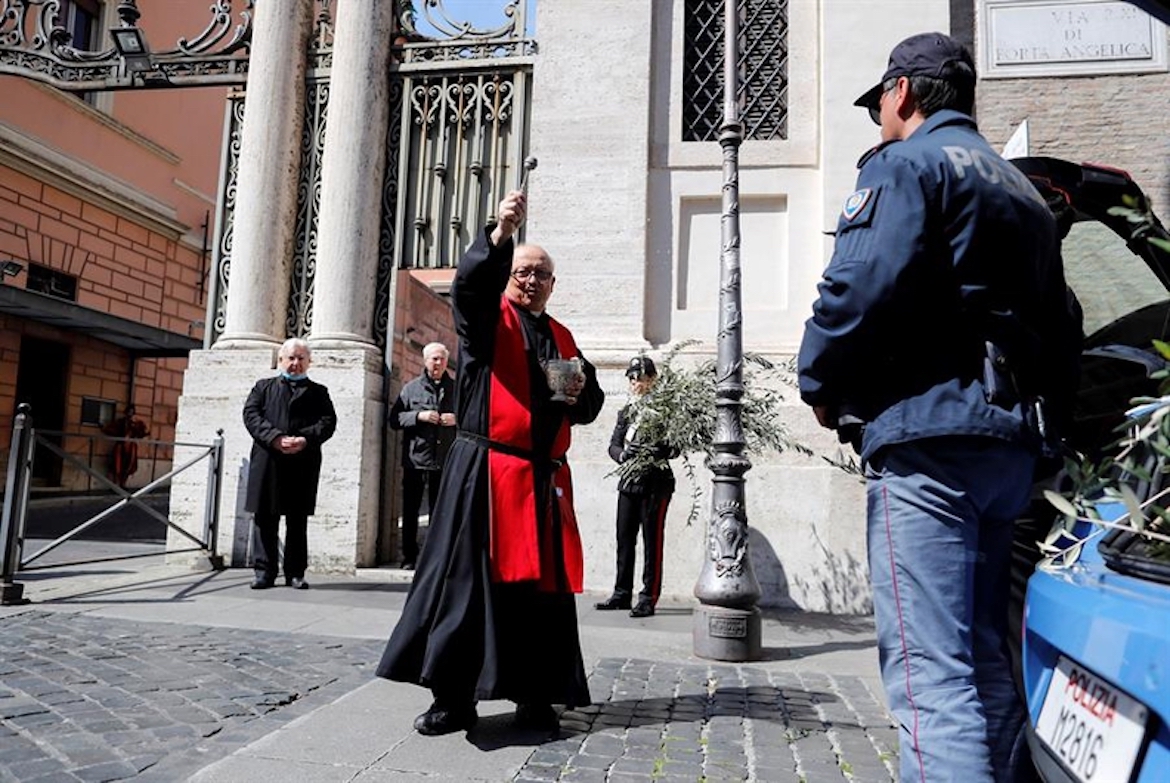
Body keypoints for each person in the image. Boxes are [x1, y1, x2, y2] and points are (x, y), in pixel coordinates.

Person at [797, 32, 1081, 783]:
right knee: (986, 659)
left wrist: (818, 380)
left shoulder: (905, 164)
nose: (880, 121)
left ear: (903, 92)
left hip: (928, 439)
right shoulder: (1026, 192)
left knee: (932, 676)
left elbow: (856, 289)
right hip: (1009, 450)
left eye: (881, 106)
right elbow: (1066, 328)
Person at [376, 189, 605, 737]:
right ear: (508, 277)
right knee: (465, 589)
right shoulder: (485, 319)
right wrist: (500, 235)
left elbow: (590, 405)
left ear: (554, 284)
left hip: (541, 481)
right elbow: (469, 286)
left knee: (541, 600)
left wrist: (580, 396)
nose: (531, 280)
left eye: (541, 274)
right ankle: (454, 701)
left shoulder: (562, 337)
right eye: (522, 271)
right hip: (484, 473)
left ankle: (536, 698)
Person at [242, 337, 337, 591]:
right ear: (281, 360)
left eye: (301, 358)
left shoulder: (319, 392)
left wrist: (304, 439)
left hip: (302, 461)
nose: (295, 363)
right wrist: (275, 438)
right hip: (268, 459)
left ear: (309, 362)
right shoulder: (263, 387)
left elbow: (328, 422)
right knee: (265, 517)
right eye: (291, 358)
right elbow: (251, 415)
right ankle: (264, 572)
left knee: (297, 520)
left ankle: (295, 572)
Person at [595, 355, 677, 619]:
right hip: (629, 482)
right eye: (631, 379)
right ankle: (622, 593)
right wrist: (623, 455)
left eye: (639, 378)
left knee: (652, 542)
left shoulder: (664, 411)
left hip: (655, 484)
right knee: (624, 538)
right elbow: (614, 444)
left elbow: (676, 447)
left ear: (652, 380)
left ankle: (648, 597)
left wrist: (655, 449)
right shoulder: (628, 411)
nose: (635, 384)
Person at [388, 342, 457, 569]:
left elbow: (472, 419)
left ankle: (437, 558)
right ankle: (409, 557)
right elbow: (395, 419)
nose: (438, 363)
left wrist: (456, 420)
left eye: (442, 359)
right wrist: (419, 416)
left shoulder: (457, 389)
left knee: (441, 512)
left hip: (445, 460)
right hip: (416, 460)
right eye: (434, 358)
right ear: (425, 361)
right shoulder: (411, 389)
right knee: (411, 511)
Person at [103, 405, 148, 488]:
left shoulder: (136, 423)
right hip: (120, 446)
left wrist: (143, 431)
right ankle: (116, 484)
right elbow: (112, 430)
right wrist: (104, 428)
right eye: (129, 412)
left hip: (131, 448)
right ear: (126, 413)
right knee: (117, 465)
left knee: (129, 466)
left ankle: (123, 484)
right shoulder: (120, 422)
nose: (130, 414)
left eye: (132, 412)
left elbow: (140, 433)